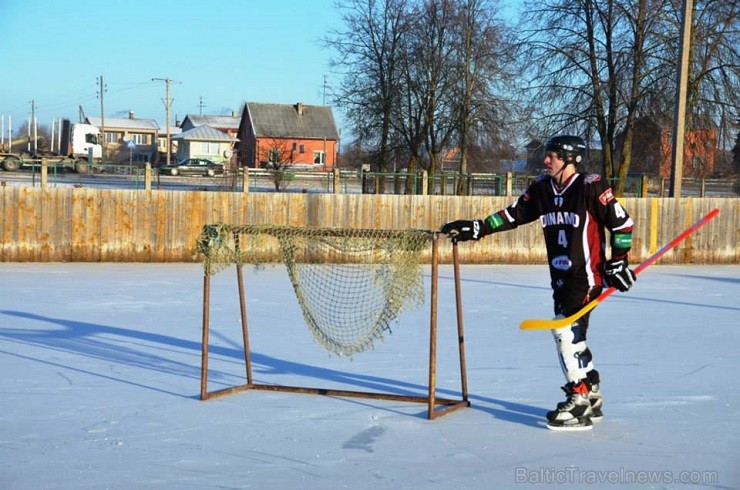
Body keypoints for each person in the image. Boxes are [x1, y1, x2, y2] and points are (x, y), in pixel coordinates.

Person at [440, 135, 636, 431]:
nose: (546, 160)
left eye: (553, 155)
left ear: (571, 159)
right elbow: (514, 214)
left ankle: (579, 399)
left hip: (586, 276)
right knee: (574, 334)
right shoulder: (542, 189)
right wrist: (478, 228)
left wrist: (619, 260)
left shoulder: (590, 186)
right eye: (547, 154)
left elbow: (622, 224)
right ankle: (591, 391)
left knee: (564, 330)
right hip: (559, 277)